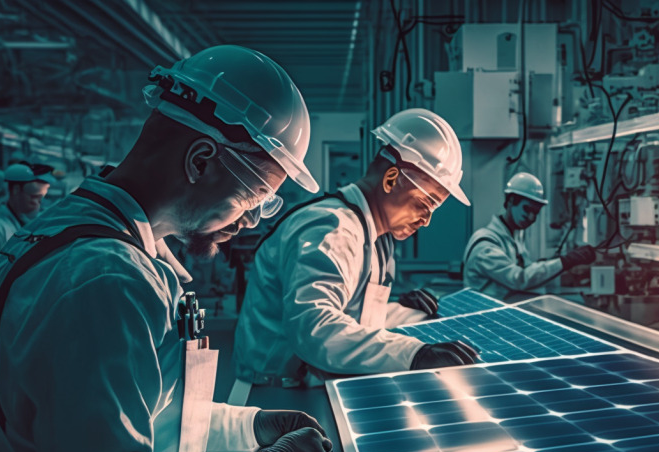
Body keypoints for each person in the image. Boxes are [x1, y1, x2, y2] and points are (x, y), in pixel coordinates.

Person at [0, 45, 338, 452]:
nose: (252, 222)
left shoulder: (87, 242)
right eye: (255, 196)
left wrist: (252, 428)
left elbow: (137, 417)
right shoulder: (107, 279)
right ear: (200, 161)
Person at [233, 108, 479, 390]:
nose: (426, 221)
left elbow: (354, 318)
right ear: (390, 179)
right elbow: (315, 328)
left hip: (302, 387)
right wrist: (414, 354)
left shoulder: (372, 233)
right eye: (425, 204)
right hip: (272, 394)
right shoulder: (333, 228)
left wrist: (405, 312)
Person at [462, 172, 595, 302]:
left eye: (535, 212)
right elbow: (519, 279)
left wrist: (550, 264)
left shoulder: (514, 237)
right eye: (527, 209)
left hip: (500, 312)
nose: (531, 217)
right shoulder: (486, 244)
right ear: (511, 201)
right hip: (483, 317)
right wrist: (565, 261)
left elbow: (526, 268)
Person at [0, 163, 52, 271]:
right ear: (16, 190)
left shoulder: (23, 225)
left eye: (40, 199)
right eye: (33, 197)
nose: (37, 204)